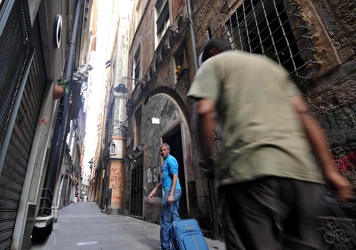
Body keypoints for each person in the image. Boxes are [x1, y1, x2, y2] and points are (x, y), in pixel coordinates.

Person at [187, 38, 352, 250]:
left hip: (248, 175)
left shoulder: (212, 64)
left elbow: (203, 111)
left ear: (211, 52)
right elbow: (304, 115)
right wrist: (330, 171)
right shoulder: (271, 66)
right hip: (301, 178)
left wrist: (208, 161)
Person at [149, 143, 182, 250]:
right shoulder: (165, 163)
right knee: (175, 217)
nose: (162, 152)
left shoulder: (171, 160)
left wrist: (171, 194)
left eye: (164, 150)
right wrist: (154, 190)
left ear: (168, 150)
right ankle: (179, 244)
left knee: (165, 220)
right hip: (172, 191)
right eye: (161, 150)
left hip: (172, 191)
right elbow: (164, 180)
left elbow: (175, 176)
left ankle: (166, 247)